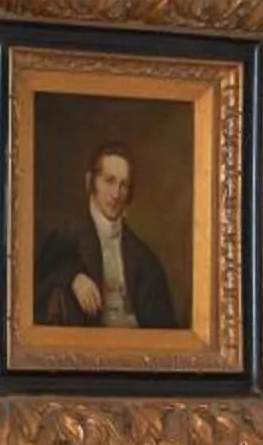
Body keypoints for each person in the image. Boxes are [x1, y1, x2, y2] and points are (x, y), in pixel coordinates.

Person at [33, 140, 177, 329]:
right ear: (90, 182)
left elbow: (164, 327)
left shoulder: (143, 257)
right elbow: (37, 287)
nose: (116, 194)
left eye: (123, 185)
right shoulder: (65, 238)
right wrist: (72, 278)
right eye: (109, 181)